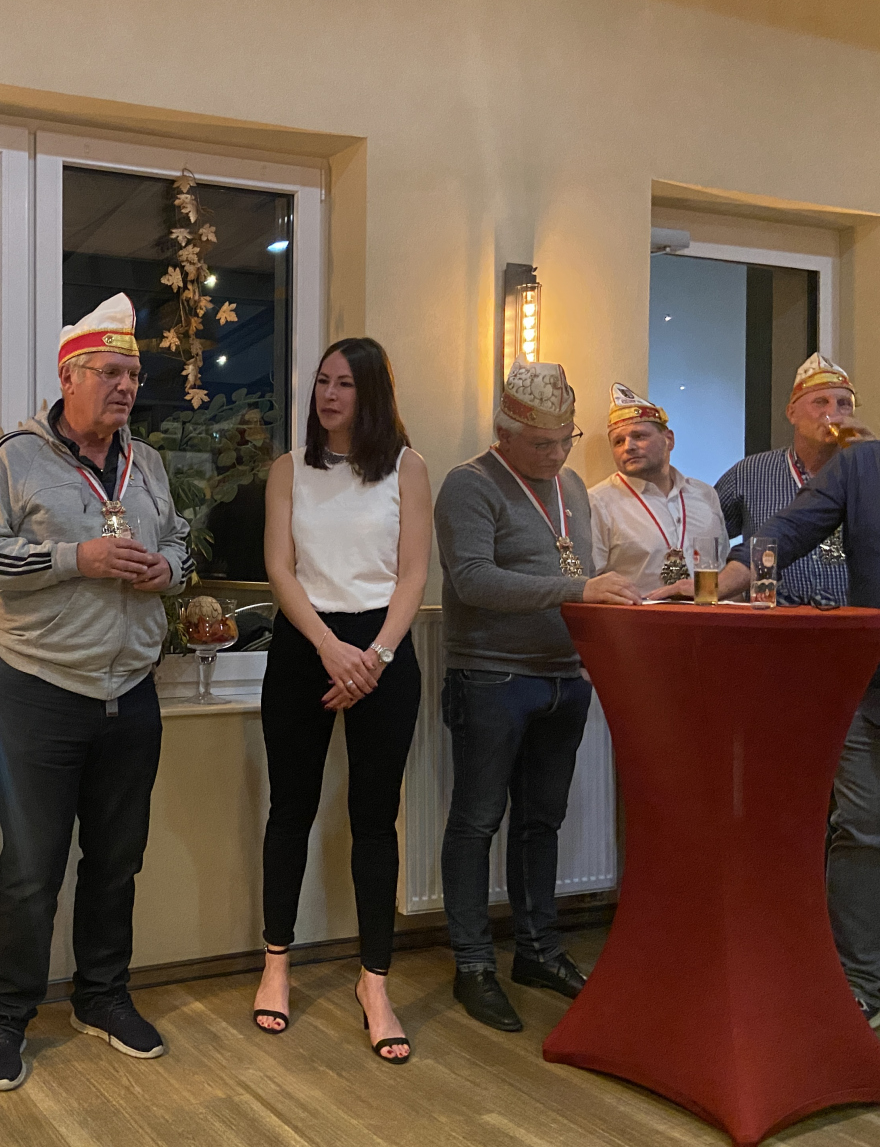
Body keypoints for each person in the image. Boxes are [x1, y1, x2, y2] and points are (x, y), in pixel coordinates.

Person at [0, 293, 190, 1090]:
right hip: (44, 690)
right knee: (30, 869)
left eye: (134, 374)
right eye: (111, 372)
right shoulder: (14, 458)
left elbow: (180, 540)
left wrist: (169, 569)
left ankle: (102, 996)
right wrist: (73, 560)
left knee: (118, 859)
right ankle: (6, 1015)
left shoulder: (146, 462)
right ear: (70, 377)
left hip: (133, 690)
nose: (126, 387)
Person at [434, 360, 642, 1033]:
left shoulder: (572, 485)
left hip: (564, 676)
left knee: (541, 822)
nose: (556, 456)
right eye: (541, 444)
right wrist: (579, 590)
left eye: (564, 441)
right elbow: (473, 580)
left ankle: (538, 951)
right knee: (477, 821)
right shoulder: (469, 484)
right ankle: (473, 964)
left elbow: (576, 568)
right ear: (504, 433)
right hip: (493, 676)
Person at [250, 338, 431, 1063]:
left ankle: (374, 983)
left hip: (383, 648)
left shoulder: (408, 468)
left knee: (375, 819)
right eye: (323, 382)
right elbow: (279, 567)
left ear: (372, 393)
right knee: (290, 809)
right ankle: (276, 964)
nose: (329, 395)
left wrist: (374, 658)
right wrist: (329, 648)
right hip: (306, 645)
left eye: (345, 384)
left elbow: (413, 574)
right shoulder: (289, 469)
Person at [704, 409, 880, 1029]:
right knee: (861, 831)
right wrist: (721, 583)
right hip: (867, 688)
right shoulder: (862, 464)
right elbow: (783, 532)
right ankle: (861, 985)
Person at [714, 353, 854, 607]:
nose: (833, 413)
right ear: (791, 413)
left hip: (854, 622)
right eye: (820, 402)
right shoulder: (749, 474)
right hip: (774, 622)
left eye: (844, 404)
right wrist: (727, 591)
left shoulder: (865, 475)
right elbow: (708, 536)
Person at [589, 383, 727, 594]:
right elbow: (590, 582)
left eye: (639, 436)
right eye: (618, 442)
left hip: (704, 611)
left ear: (668, 440)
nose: (628, 447)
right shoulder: (598, 502)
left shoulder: (704, 494)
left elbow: (722, 569)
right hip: (638, 613)